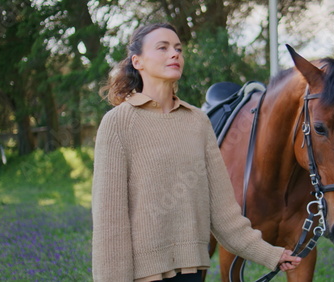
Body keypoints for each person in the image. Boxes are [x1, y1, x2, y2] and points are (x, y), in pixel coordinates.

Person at [91, 22, 301, 282]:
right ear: (138, 61)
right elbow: (109, 225)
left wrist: (273, 255)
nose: (175, 53)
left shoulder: (198, 122)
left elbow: (225, 216)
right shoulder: (118, 123)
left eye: (178, 48)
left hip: (193, 272)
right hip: (141, 276)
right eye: (163, 47)